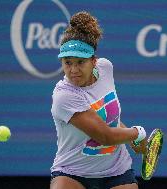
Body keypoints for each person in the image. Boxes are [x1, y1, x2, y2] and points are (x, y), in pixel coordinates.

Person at [50, 11, 147, 189]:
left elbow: (110, 119)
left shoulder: (105, 68)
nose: (73, 70)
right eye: (67, 62)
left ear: (94, 61)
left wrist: (132, 140)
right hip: (73, 173)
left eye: (80, 62)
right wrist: (137, 133)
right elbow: (105, 135)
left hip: (117, 171)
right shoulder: (64, 95)